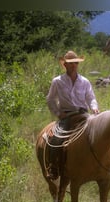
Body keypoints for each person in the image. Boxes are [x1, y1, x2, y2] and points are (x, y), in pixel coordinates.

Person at [46, 50, 99, 179]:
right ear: (65, 65)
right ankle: (53, 168)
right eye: (70, 63)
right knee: (56, 139)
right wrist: (58, 113)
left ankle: (108, 165)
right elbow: (50, 99)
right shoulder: (57, 81)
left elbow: (91, 97)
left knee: (100, 132)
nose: (74, 65)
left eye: (75, 63)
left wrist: (94, 108)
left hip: (84, 114)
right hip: (67, 116)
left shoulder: (85, 81)